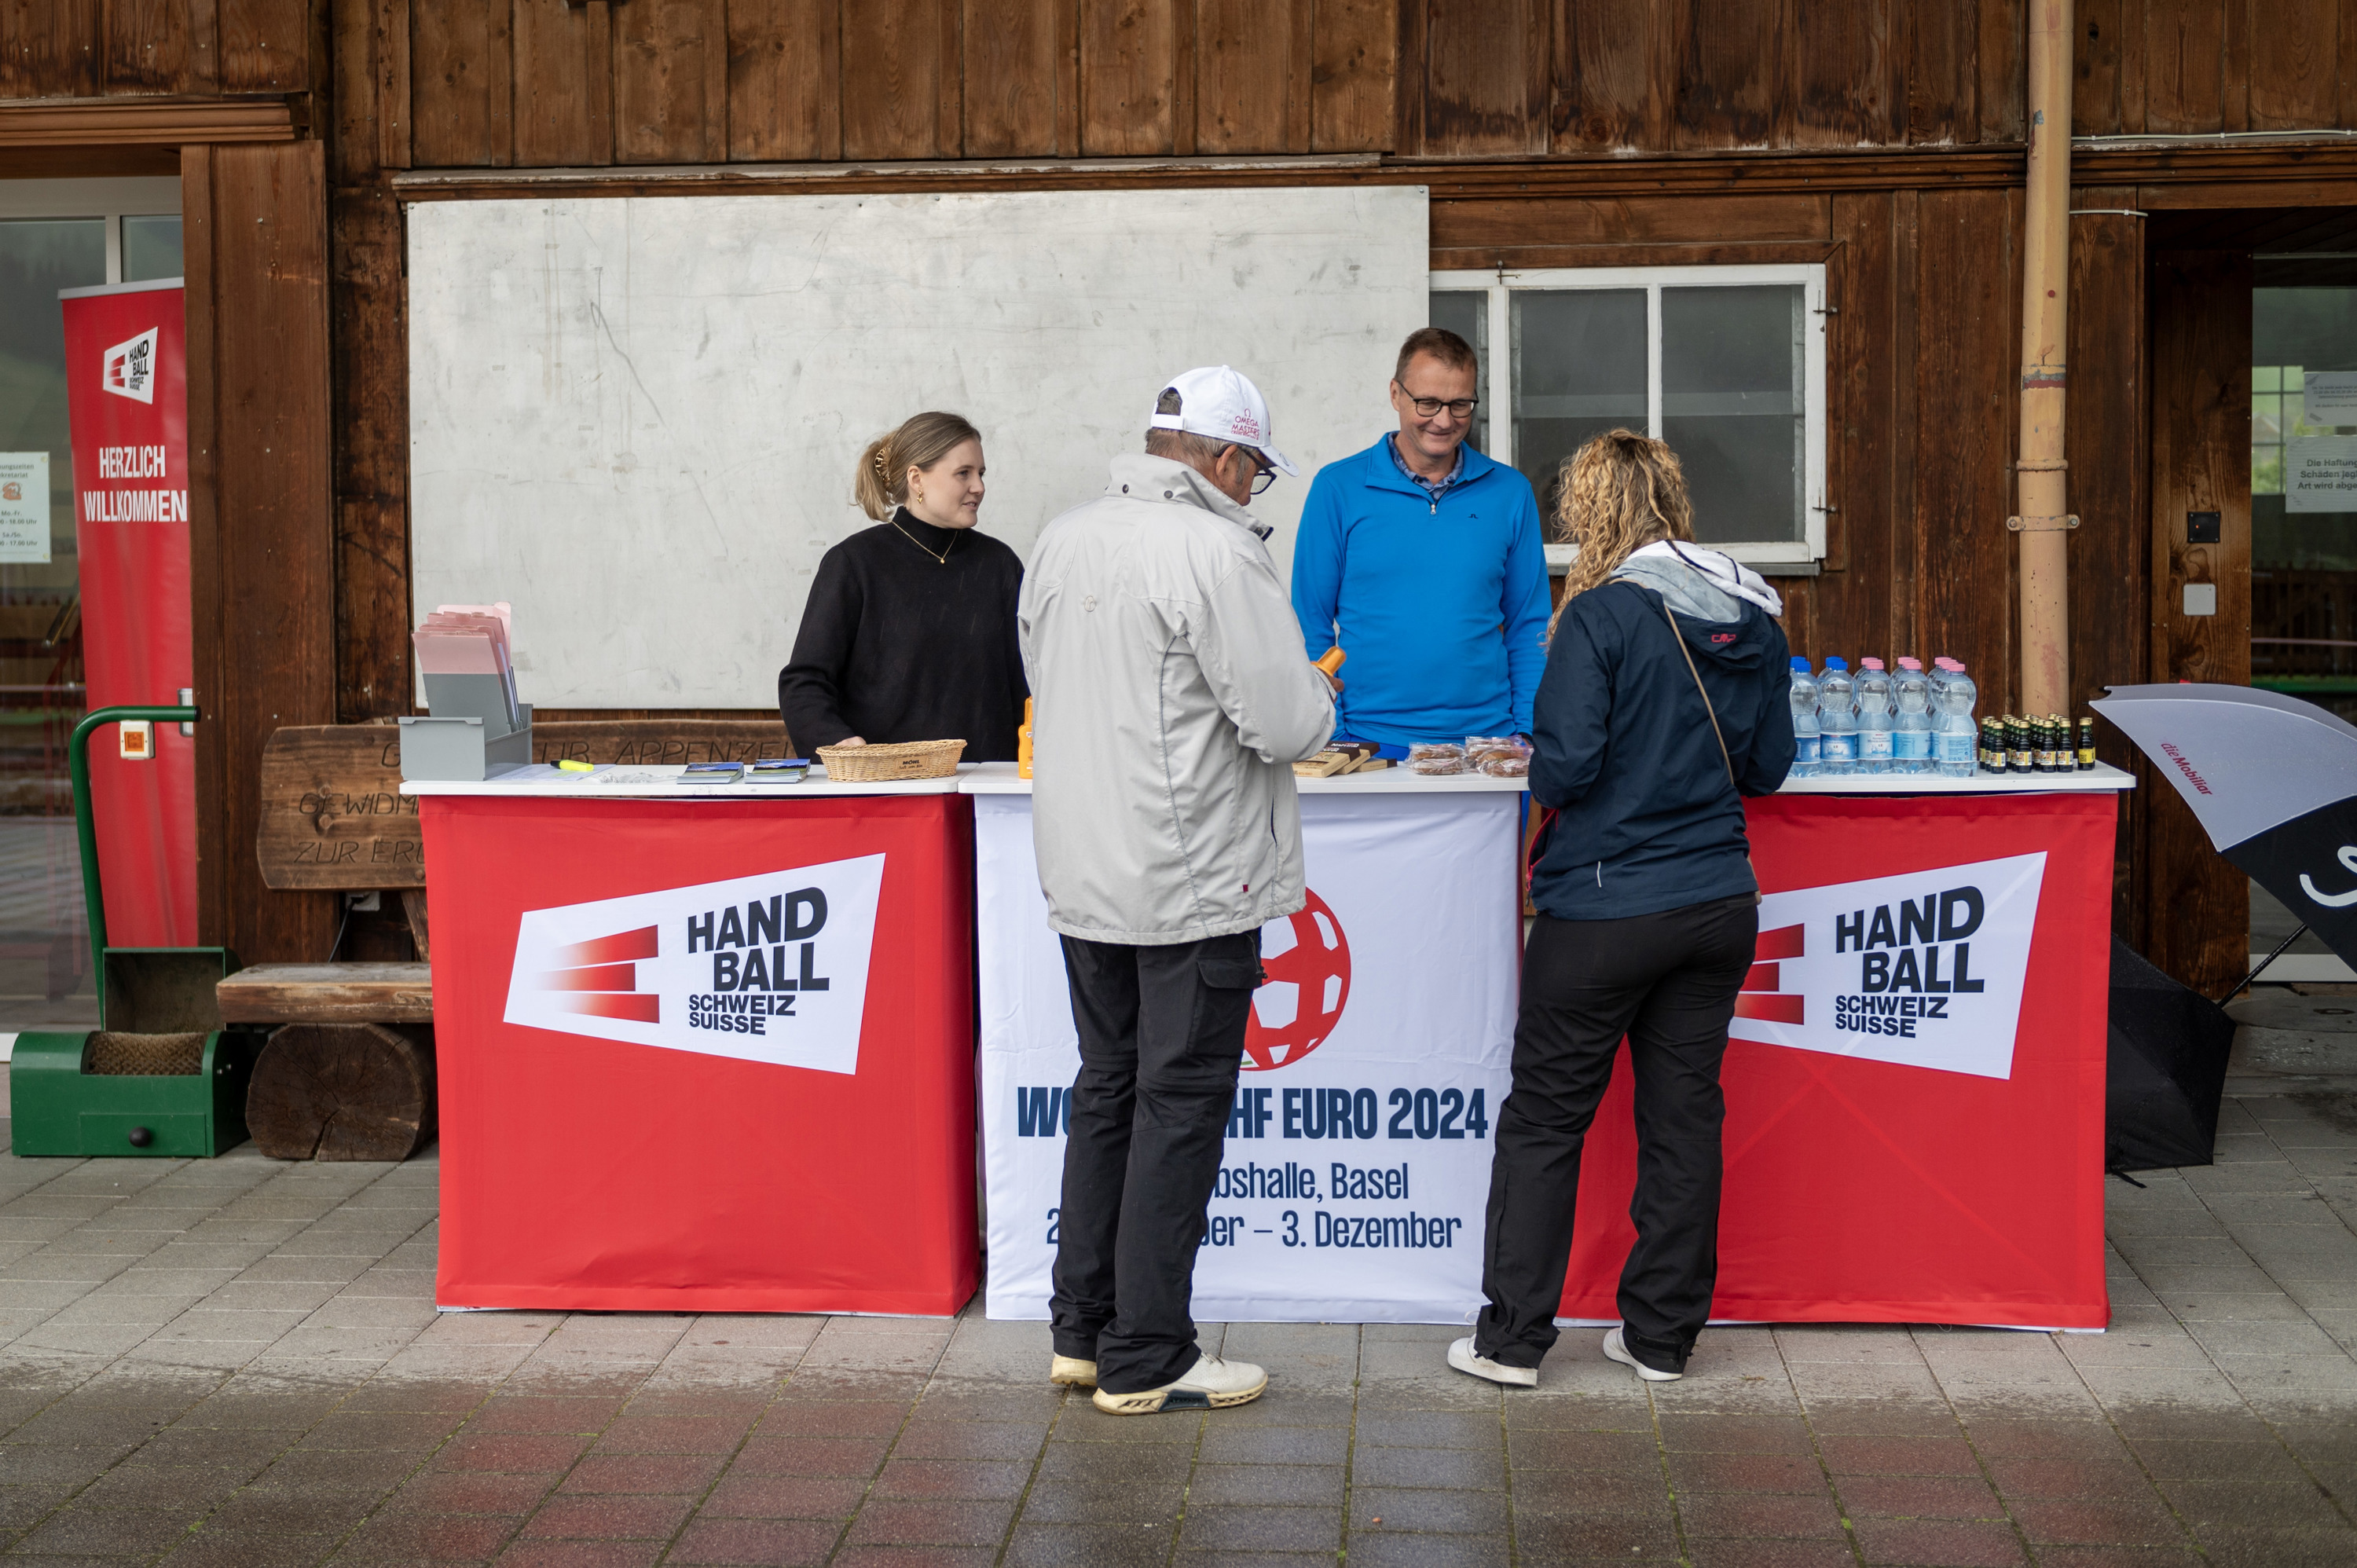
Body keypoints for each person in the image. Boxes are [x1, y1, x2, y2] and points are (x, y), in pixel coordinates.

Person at [1018, 365, 1339, 1416]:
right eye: (1257, 476)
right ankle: (1149, 1352)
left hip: (1085, 868)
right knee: (1178, 1107)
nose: (1256, 496)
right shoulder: (1214, 549)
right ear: (1230, 459)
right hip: (1195, 870)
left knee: (1107, 1089)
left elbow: (1042, 677)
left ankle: (1084, 1331)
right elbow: (1286, 724)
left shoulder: (1063, 538)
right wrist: (1324, 692)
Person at [1449, 429, 1795, 1390]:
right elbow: (1767, 768)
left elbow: (1567, 766)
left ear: (1593, 514)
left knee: (1545, 1121)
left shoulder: (1598, 617)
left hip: (1602, 907)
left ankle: (1512, 1341)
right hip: (1719, 903)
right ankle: (1660, 1340)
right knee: (1684, 1122)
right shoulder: (1755, 616)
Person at [1290, 326, 1551, 746]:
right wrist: (1333, 732)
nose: (1444, 420)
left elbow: (1530, 624)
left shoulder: (1510, 492)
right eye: (1428, 402)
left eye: (1460, 404)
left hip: (1487, 745)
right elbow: (1309, 622)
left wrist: (1525, 732)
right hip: (1365, 742)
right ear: (1395, 394)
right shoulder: (1337, 488)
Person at [777, 412, 1027, 760]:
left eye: (981, 473)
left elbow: (1025, 684)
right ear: (916, 479)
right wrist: (839, 743)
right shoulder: (854, 564)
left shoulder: (1001, 565)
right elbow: (804, 682)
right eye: (963, 473)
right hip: (889, 795)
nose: (979, 487)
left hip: (989, 796)